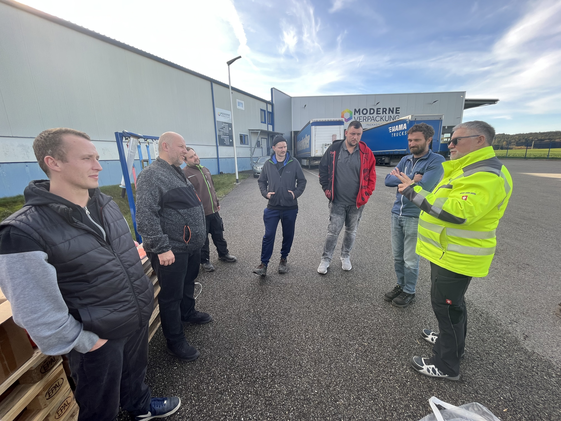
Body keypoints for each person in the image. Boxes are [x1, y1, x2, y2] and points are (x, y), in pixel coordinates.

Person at [0, 128, 180, 421]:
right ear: (53, 162)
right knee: (99, 407)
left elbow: (120, 252)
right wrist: (87, 342)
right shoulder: (22, 232)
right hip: (96, 339)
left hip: (132, 317)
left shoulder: (104, 203)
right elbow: (35, 312)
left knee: (135, 375)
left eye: (97, 157)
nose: (98, 165)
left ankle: (140, 406)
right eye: (87, 158)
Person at [395, 121, 513, 380]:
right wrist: (415, 189)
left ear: (479, 140)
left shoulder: (486, 174)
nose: (450, 144)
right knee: (453, 306)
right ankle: (454, 346)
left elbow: (456, 212)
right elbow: (446, 199)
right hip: (447, 252)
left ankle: (446, 365)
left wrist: (414, 193)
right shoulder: (469, 169)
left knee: (446, 306)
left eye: (456, 140)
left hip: (457, 255)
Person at [136, 132, 212, 361]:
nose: (186, 151)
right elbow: (145, 216)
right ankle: (175, 341)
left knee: (188, 283)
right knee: (170, 297)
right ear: (166, 146)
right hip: (171, 250)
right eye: (182, 147)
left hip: (189, 247)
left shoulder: (177, 172)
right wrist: (161, 247)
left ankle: (188, 313)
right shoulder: (151, 176)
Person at [384, 123, 445, 308]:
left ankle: (409, 291)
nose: (412, 143)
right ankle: (401, 285)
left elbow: (424, 187)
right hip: (397, 213)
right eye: (410, 140)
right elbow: (388, 180)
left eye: (416, 140)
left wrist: (407, 180)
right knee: (397, 256)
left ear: (428, 140)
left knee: (410, 258)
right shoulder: (406, 160)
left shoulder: (436, 161)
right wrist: (412, 178)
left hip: (415, 216)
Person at [317, 120, 377, 274]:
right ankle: (325, 259)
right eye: (352, 134)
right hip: (337, 201)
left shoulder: (366, 153)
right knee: (333, 232)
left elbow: (372, 176)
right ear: (346, 133)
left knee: (351, 232)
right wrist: (326, 189)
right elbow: (323, 169)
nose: (355, 137)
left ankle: (345, 256)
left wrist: (366, 194)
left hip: (356, 203)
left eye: (358, 134)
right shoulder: (334, 149)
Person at [253, 135, 307, 276]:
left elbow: (302, 181)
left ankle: (283, 259)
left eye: (285, 146)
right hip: (273, 207)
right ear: (274, 148)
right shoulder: (268, 164)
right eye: (280, 147)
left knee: (288, 235)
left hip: (290, 207)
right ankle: (263, 264)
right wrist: (266, 194)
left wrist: (295, 194)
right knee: (269, 235)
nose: (283, 149)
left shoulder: (294, 162)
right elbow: (261, 181)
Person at [183, 147, 237, 272]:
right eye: (191, 157)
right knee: (203, 239)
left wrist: (216, 202)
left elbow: (212, 188)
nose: (195, 157)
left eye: (195, 154)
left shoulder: (204, 169)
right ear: (185, 160)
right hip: (200, 214)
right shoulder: (184, 174)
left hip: (213, 210)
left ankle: (223, 254)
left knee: (219, 234)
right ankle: (205, 260)